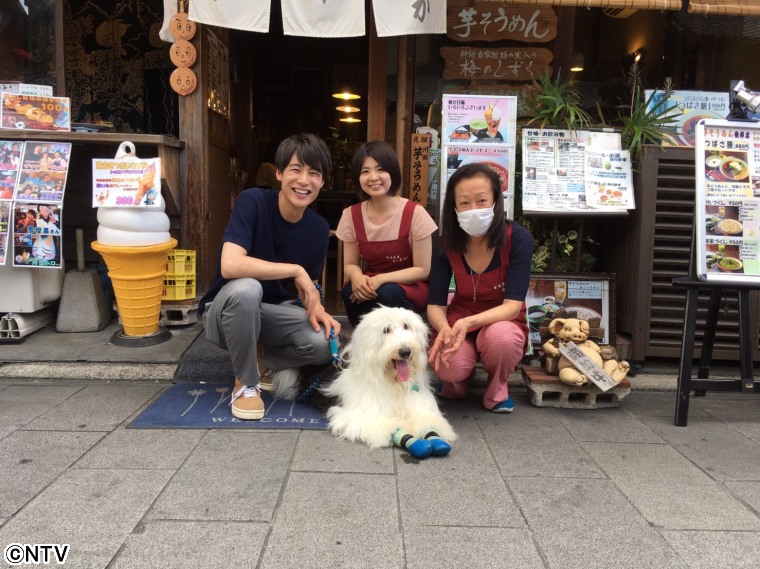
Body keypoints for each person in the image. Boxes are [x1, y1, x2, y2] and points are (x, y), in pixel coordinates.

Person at [198, 133, 341, 421]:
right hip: (226, 312)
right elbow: (230, 265)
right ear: (279, 173)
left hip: (270, 315)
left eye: (314, 174)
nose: (304, 181)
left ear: (323, 181)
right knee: (247, 289)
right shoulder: (252, 201)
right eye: (295, 170)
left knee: (324, 343)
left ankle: (259, 360)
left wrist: (318, 308)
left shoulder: (317, 228)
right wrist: (295, 269)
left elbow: (308, 287)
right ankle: (245, 384)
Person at [427, 163, 533, 413]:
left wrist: (468, 323)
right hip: (458, 318)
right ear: (454, 207)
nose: (473, 209)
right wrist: (444, 329)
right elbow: (435, 304)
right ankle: (458, 381)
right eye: (464, 203)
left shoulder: (518, 238)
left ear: (496, 201)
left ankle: (498, 387)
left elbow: (512, 306)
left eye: (482, 200)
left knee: (501, 339)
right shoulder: (445, 244)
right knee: (448, 366)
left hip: (502, 320)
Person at [335, 140, 437, 326]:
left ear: (393, 172)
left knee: (387, 292)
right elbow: (350, 264)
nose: (373, 177)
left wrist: (381, 279)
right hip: (373, 282)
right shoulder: (351, 215)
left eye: (380, 169)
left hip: (413, 285)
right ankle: (367, 340)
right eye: (365, 171)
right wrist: (357, 277)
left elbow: (422, 270)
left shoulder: (415, 213)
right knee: (350, 292)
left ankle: (410, 335)